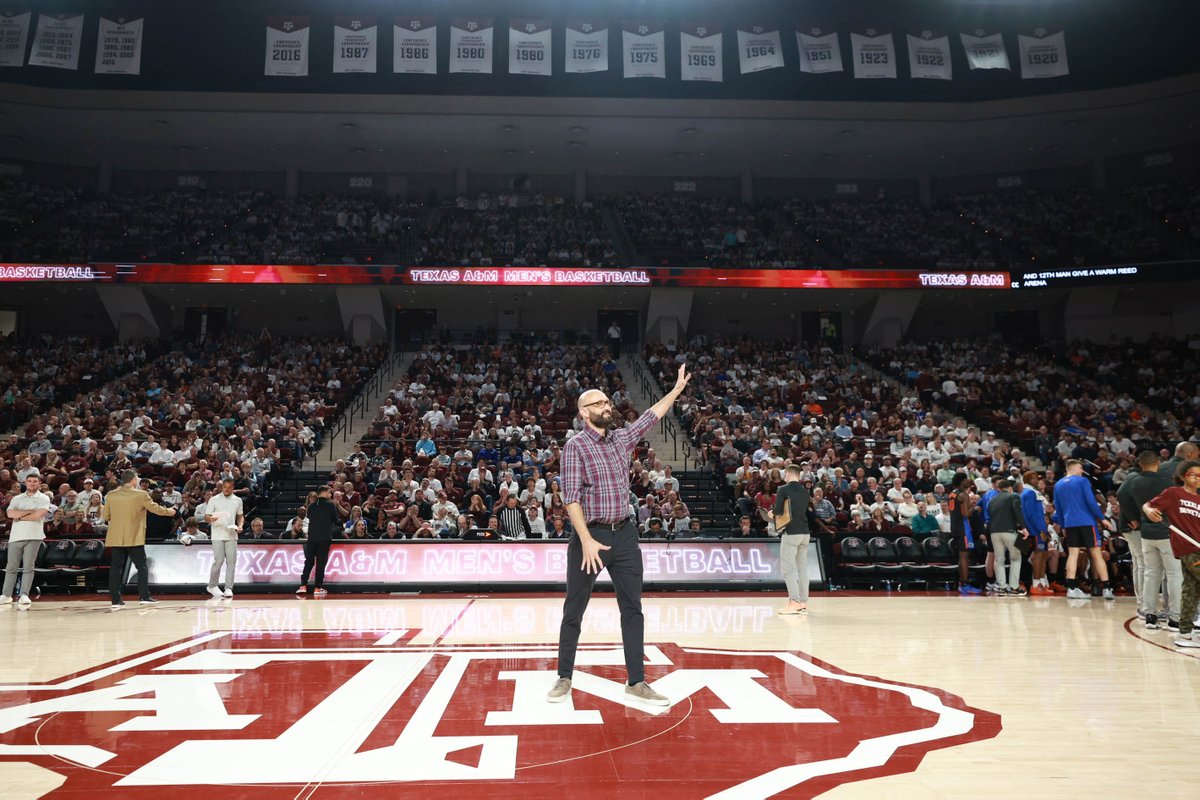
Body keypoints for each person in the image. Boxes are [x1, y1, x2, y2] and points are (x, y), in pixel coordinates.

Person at [548, 362, 690, 707]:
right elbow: (571, 498)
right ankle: (564, 676)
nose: (606, 406)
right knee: (574, 609)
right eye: (599, 403)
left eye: (607, 401)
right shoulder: (576, 446)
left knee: (633, 609)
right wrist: (586, 540)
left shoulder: (621, 437)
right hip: (590, 537)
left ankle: (636, 681)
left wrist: (675, 390)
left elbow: (652, 416)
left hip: (625, 535)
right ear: (584, 412)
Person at [1143, 459, 1200, 647]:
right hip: (1187, 548)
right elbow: (1148, 505)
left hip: (1198, 548)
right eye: (1193, 475)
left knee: (1191, 590)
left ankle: (1185, 634)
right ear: (1183, 476)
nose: (1197, 478)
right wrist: (1149, 511)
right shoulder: (1173, 493)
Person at [1118, 450, 1179, 628]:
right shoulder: (1167, 482)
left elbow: (1121, 495)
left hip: (1146, 533)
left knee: (1151, 573)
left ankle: (1149, 615)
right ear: (1158, 463)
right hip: (1166, 531)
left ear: (1140, 464)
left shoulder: (1134, 481)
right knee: (1174, 574)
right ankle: (1175, 617)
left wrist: (1132, 517)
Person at [102, 468, 177, 610]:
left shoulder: (111, 495)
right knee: (142, 566)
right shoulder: (141, 494)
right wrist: (170, 511)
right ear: (133, 480)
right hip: (134, 536)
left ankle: (115, 600)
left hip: (116, 537)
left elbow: (105, 516)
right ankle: (144, 597)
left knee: (115, 569)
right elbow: (156, 509)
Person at [1052, 459, 1114, 600]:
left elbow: (1058, 506)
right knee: (1096, 554)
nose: (1082, 471)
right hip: (1086, 522)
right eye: (1080, 468)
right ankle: (1107, 588)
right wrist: (1101, 518)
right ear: (1072, 468)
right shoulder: (1083, 481)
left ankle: (1071, 589)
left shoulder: (1058, 484)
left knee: (1073, 554)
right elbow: (1091, 501)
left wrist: (1062, 524)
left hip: (1069, 523)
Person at [3, 469, 50, 606]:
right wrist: (29, 511)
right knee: (11, 567)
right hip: (15, 536)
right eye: (29, 481)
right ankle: (6, 595)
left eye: (35, 481)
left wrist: (20, 516)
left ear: (39, 483)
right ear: (25, 482)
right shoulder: (17, 498)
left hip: (34, 536)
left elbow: (37, 515)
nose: (32, 483)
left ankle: (24, 594)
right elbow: (10, 514)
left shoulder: (43, 498)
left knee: (28, 567)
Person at [771, 464, 813, 615]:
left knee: (788, 569)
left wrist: (770, 513)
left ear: (788, 474)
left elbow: (778, 511)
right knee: (802, 569)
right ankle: (803, 603)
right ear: (799, 475)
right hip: (805, 533)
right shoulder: (805, 491)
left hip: (791, 532)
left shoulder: (783, 489)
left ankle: (794, 602)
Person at [204, 477, 244, 599]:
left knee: (231, 562)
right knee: (218, 561)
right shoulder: (214, 499)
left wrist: (240, 526)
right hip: (217, 534)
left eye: (229, 488)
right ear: (222, 487)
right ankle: (212, 585)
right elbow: (206, 516)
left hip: (232, 534)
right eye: (225, 487)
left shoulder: (238, 500)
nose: (227, 489)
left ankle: (228, 588)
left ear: (233, 488)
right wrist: (210, 519)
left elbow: (240, 516)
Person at [987, 479, 1028, 596]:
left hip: (994, 532)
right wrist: (1024, 528)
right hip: (1009, 530)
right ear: (1010, 488)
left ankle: (1001, 587)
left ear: (999, 489)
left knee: (999, 559)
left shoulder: (992, 499)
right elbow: (1017, 512)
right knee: (1015, 558)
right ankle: (1014, 587)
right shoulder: (1013, 496)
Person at [298, 485, 338, 596]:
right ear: (324, 492)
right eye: (329, 492)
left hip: (312, 537)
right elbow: (335, 519)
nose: (330, 495)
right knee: (321, 563)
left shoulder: (311, 506)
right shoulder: (330, 505)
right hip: (324, 537)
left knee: (309, 561)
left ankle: (303, 585)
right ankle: (317, 587)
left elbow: (310, 518)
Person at [948, 474, 981, 595]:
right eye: (966, 479)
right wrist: (975, 508)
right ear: (962, 481)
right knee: (964, 557)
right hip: (963, 528)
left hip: (954, 527)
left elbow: (959, 509)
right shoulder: (963, 495)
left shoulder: (952, 494)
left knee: (961, 556)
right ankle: (965, 584)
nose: (969, 481)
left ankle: (962, 583)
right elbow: (966, 514)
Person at [1021, 470, 1053, 594]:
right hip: (1036, 530)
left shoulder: (1032, 492)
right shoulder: (1029, 493)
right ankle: (1035, 584)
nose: (1036, 481)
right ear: (1028, 480)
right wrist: (1041, 530)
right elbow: (1032, 515)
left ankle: (1042, 583)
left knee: (1044, 555)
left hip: (1039, 527)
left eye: (1036, 478)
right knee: (1038, 556)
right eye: (1033, 478)